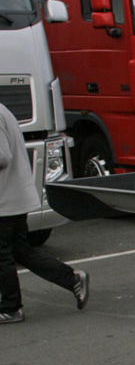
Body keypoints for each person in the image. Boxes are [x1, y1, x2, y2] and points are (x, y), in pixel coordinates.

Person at [0, 102, 88, 325]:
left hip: (6, 199)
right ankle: (72, 278)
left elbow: (2, 157)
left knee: (3, 256)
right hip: (13, 196)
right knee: (20, 250)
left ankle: (11, 307)